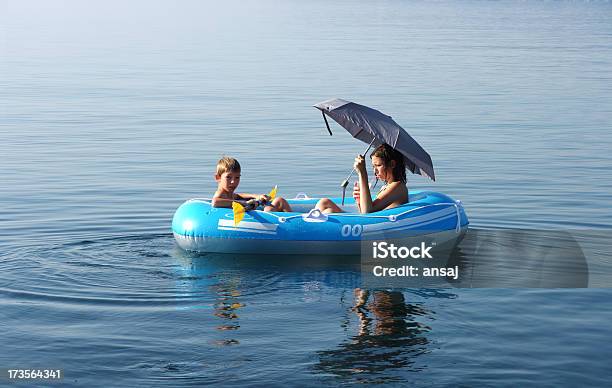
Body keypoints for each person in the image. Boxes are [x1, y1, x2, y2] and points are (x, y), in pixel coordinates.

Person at [315, 143, 408, 214]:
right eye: (373, 166)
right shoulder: (386, 187)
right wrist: (360, 201)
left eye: (378, 165)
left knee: (329, 212)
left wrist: (362, 173)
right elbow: (365, 211)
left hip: (376, 226)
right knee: (324, 202)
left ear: (392, 164)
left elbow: (367, 212)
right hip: (368, 221)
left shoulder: (398, 187)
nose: (375, 170)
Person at [211, 156, 292, 212]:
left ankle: (298, 221)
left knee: (279, 200)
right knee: (268, 210)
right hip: (262, 216)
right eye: (228, 177)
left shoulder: (229, 193)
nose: (233, 182)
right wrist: (243, 203)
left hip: (259, 210)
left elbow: (238, 195)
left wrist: (256, 196)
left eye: (237, 178)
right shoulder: (220, 193)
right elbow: (215, 202)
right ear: (218, 177)